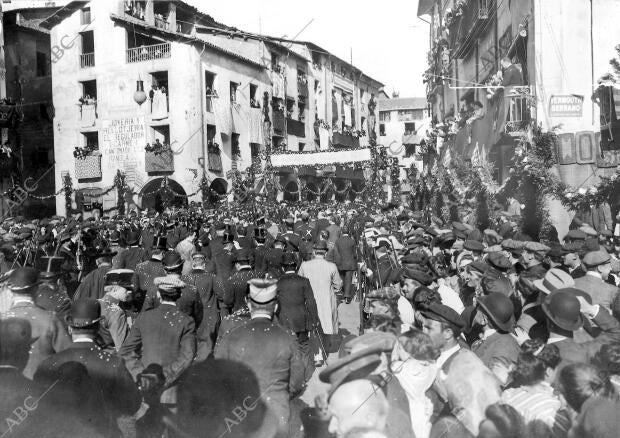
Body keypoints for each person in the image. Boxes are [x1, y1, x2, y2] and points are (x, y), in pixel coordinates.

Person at [214, 278, 307, 437]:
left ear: (249, 305)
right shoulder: (288, 337)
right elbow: (297, 382)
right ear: (276, 306)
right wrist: (280, 393)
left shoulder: (231, 337)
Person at [35, 298, 141, 437]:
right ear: (97, 328)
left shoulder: (50, 363)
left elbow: (38, 406)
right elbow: (132, 404)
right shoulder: (114, 363)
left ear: (70, 327)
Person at [0, 267, 71, 379]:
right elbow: (68, 357)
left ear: (11, 291)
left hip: (6, 392)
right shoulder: (50, 320)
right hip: (42, 391)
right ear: (36, 289)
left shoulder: (2, 319)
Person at [501, 340, 571, 436]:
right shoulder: (551, 408)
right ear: (549, 372)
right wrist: (563, 409)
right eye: (556, 369)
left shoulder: (508, 394)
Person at [542, 288, 620, 368]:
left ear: (548, 320)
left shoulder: (539, 358)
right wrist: (590, 309)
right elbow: (616, 332)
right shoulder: (589, 351)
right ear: (576, 323)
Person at [298, 240, 343, 361]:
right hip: (326, 299)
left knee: (314, 326)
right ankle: (325, 347)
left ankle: (317, 354)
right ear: (325, 253)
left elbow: (299, 281)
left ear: (314, 251)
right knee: (326, 322)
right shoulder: (331, 266)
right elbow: (338, 285)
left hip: (309, 299)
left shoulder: (305, 265)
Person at [390, 329, 440, 438]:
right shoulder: (430, 368)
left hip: (407, 412)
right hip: (424, 415)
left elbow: (392, 365)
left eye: (399, 347)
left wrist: (394, 356)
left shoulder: (400, 369)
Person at [276, 251, 321, 372]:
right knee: (304, 346)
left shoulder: (278, 283)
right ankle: (304, 373)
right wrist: (314, 320)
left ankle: (291, 373)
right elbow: (311, 302)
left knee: (288, 347)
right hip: (302, 320)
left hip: (284, 321)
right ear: (296, 266)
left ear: (282, 267)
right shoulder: (304, 281)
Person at [98, 268, 133, 352]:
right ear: (114, 289)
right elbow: (121, 347)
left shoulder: (97, 303)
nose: (130, 292)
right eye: (126, 289)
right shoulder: (117, 312)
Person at [333, 228, 358, 304]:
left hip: (340, 263)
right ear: (348, 232)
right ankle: (347, 295)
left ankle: (343, 293)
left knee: (342, 278)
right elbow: (354, 254)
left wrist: (337, 262)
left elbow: (336, 253)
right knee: (348, 279)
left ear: (342, 232)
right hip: (350, 263)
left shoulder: (338, 241)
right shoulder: (352, 241)